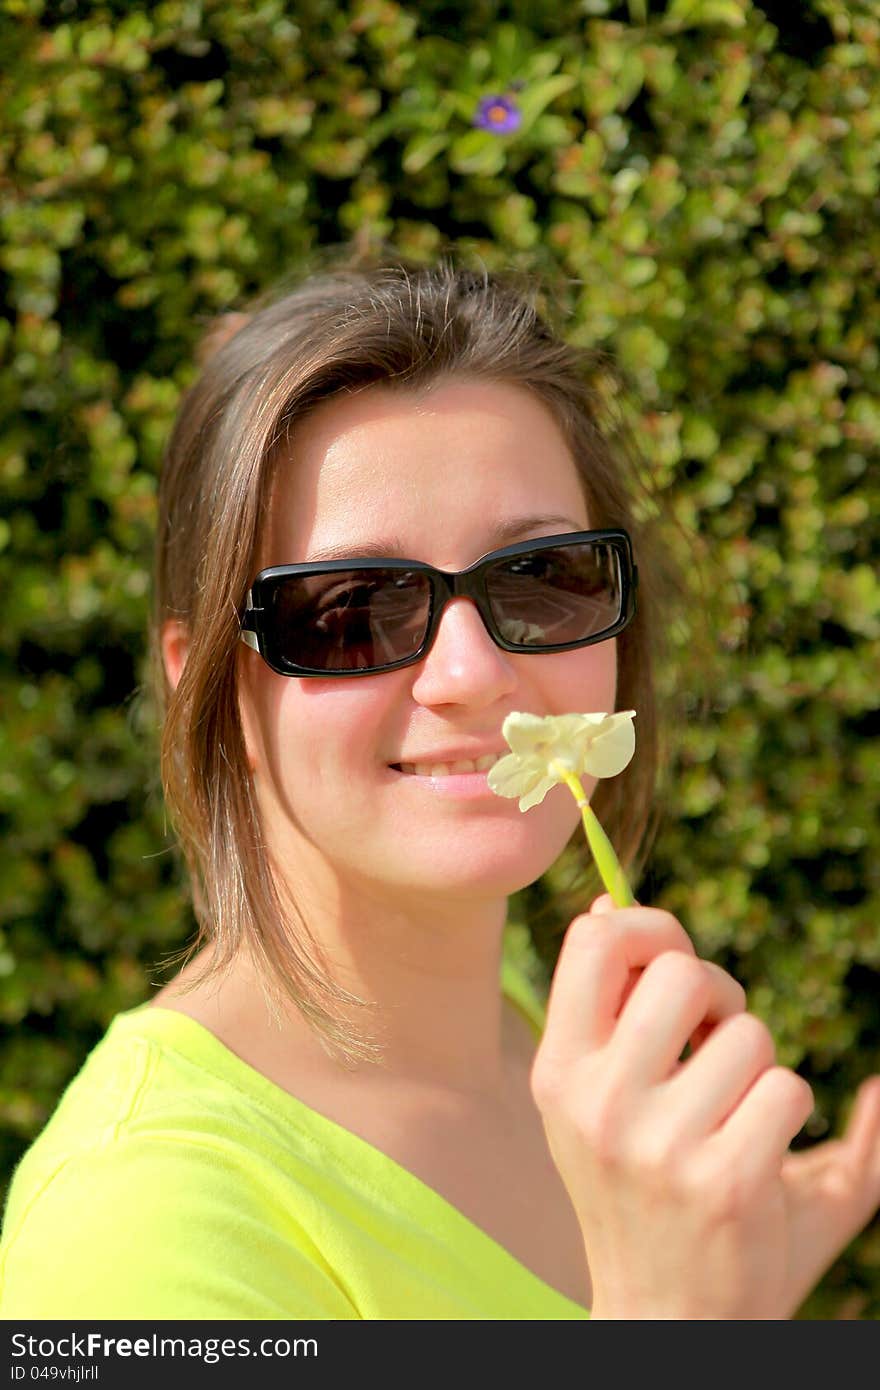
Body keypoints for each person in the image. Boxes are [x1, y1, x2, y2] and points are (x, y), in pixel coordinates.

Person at [2, 257, 879, 1321]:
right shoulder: (138, 1229)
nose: (472, 674)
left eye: (540, 576)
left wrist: (747, 1260)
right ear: (209, 685)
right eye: (349, 606)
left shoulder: (518, 1017)